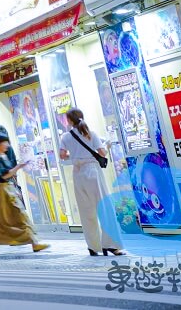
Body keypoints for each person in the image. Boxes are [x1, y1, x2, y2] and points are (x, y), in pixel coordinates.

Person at [58, 109, 124, 257]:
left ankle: (93, 247)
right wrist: (104, 147)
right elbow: (102, 153)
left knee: (86, 211)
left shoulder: (66, 137)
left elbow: (62, 156)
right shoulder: (91, 134)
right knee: (104, 207)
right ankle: (111, 245)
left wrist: (75, 155)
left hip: (78, 173)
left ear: (69, 121)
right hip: (92, 171)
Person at [0, 128, 47, 255]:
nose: (7, 145)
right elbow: (2, 176)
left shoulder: (3, 155)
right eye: (5, 143)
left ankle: (34, 242)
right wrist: (18, 167)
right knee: (2, 218)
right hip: (0, 192)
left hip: (6, 190)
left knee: (18, 215)